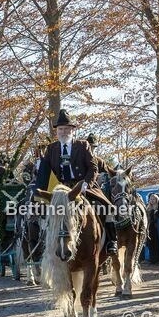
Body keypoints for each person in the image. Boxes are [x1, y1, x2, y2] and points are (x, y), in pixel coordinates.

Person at [40, 109, 118, 255]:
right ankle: (44, 245)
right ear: (57, 131)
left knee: (105, 207)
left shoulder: (83, 145)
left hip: (83, 186)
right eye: (61, 129)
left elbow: (93, 167)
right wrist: (40, 191)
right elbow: (44, 172)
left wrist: (85, 184)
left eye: (67, 129)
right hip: (60, 189)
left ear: (72, 130)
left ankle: (111, 241)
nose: (63, 132)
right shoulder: (51, 149)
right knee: (41, 212)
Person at [145, 193, 159, 264]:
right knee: (150, 244)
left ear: (156, 199)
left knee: (157, 243)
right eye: (151, 199)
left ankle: (158, 259)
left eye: (153, 199)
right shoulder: (147, 208)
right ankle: (152, 260)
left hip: (157, 227)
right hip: (149, 227)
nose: (152, 200)